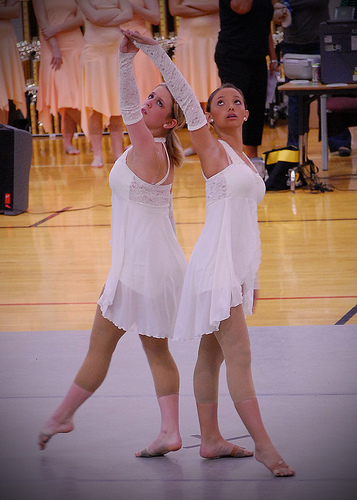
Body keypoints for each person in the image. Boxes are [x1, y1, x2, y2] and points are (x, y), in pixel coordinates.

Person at [123, 28, 295, 477]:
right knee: (240, 355)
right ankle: (263, 445)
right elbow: (180, 89)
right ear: (208, 119)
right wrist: (153, 51)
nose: (231, 106)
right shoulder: (212, 151)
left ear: (249, 111)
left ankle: (212, 440)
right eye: (220, 103)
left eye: (237, 101)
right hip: (214, 266)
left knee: (211, 355)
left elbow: (248, 227)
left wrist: (250, 278)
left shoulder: (247, 163)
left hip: (233, 267)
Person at [38, 27, 188, 459]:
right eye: (150, 96)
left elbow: (124, 107)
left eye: (157, 102)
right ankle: (170, 431)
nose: (147, 102)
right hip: (153, 266)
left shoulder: (149, 147)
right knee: (154, 349)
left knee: (101, 345)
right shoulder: (155, 148)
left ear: (171, 121)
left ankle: (62, 416)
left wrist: (127, 57)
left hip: (139, 269)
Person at [214, 1, 279, 166]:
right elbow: (242, 8)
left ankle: (252, 159)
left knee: (255, 109)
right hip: (233, 55)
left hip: (257, 56)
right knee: (233, 108)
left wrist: (273, 57)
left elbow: (265, 26)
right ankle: (231, 158)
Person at [75, 0, 133, 167]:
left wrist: (102, 17)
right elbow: (93, 17)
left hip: (114, 51)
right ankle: (98, 155)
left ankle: (117, 153)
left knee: (116, 102)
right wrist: (116, 13)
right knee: (94, 105)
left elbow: (128, 14)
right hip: (94, 52)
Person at [168, 0, 220, 156]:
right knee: (192, 93)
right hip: (189, 41)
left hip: (213, 38)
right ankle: (199, 142)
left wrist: (189, 4)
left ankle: (220, 141)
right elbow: (174, 9)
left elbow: (219, 5)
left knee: (216, 89)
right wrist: (206, 9)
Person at [32, 0, 84, 154]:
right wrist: (55, 46)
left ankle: (68, 142)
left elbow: (81, 18)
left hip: (74, 43)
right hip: (51, 45)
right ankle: (93, 134)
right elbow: (42, 21)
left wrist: (56, 29)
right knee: (65, 95)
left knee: (73, 98)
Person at [278, 1, 330, 148]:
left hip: (318, 43)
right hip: (292, 45)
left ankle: (338, 142)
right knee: (295, 98)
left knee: (329, 93)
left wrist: (289, 4)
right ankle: (295, 145)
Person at [121, 0, 162, 103]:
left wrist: (130, 5)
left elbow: (155, 18)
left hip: (141, 39)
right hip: (115, 39)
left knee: (145, 84)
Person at [0, 0, 27, 125]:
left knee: (3, 93)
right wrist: (5, 11)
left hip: (5, 41)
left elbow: (15, 12)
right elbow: (9, 11)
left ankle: (3, 138)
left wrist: (8, 11)